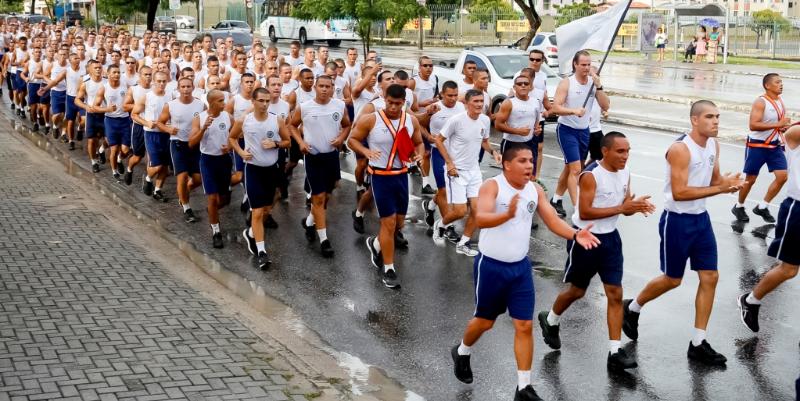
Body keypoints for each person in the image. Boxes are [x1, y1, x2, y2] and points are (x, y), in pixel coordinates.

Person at [450, 142, 600, 401]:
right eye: (522, 161)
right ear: (507, 164)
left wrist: (575, 234)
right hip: (491, 267)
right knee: (485, 322)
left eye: (531, 160)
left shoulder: (534, 189)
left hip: (520, 269)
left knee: (524, 325)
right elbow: (481, 218)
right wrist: (506, 214)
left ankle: (523, 387)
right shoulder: (492, 186)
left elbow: (552, 219)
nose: (529, 165)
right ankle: (462, 351)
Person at [622, 100, 746, 366]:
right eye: (710, 116)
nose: (716, 121)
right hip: (677, 221)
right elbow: (680, 192)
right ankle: (632, 308)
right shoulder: (680, 149)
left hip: (701, 219)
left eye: (718, 116)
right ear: (694, 120)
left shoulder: (713, 145)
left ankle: (698, 343)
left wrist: (729, 182)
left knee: (710, 276)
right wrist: (720, 189)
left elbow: (715, 180)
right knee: (672, 280)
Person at [537, 132, 655, 371]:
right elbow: (585, 211)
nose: (625, 156)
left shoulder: (625, 172)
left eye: (628, 151)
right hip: (586, 238)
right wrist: (622, 207)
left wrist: (635, 207)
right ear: (605, 151)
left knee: (615, 293)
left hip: (611, 240)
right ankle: (550, 320)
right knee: (577, 291)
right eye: (620, 151)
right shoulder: (591, 175)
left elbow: (624, 207)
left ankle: (615, 352)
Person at [348, 84, 424, 288]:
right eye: (390, 102)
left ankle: (375, 244)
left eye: (398, 103)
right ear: (384, 99)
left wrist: (419, 154)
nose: (393, 107)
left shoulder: (410, 120)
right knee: (388, 224)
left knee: (399, 225)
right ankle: (389, 269)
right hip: (380, 177)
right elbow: (352, 140)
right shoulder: (371, 119)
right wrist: (366, 152)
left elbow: (418, 142)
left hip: (402, 177)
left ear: (404, 102)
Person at [737, 124, 800, 332]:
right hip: (797, 209)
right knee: (789, 269)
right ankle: (751, 300)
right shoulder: (795, 132)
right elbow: (789, 133)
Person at [288, 75, 351, 257]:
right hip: (313, 157)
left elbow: (347, 125)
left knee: (327, 195)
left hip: (331, 157)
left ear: (332, 88)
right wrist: (301, 142)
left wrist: (341, 138)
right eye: (321, 86)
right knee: (318, 198)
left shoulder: (339, 105)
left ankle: (309, 223)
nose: (324, 89)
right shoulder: (305, 107)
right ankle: (324, 240)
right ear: (315, 87)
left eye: (327, 86)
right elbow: (292, 125)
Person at [432, 89, 500, 256]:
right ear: (467, 104)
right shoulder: (456, 120)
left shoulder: (484, 120)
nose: (479, 104)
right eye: (475, 101)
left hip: (474, 171)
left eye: (481, 101)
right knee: (460, 211)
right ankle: (440, 225)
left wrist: (494, 152)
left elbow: (484, 141)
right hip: (456, 171)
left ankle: (463, 243)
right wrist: (449, 163)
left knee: (477, 210)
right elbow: (438, 140)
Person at [234, 85, 291, 269]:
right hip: (253, 170)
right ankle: (261, 252)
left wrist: (275, 144)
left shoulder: (277, 120)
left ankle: (250, 234)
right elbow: (232, 138)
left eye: (267, 101)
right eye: (261, 101)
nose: (265, 104)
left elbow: (288, 141)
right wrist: (241, 153)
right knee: (257, 212)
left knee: (267, 209)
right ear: (253, 101)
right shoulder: (245, 120)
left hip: (271, 170)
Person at [550, 50, 610, 217]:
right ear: (575, 65)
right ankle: (579, 210)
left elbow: (605, 105)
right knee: (576, 169)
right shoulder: (567, 83)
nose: (586, 68)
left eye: (589, 64)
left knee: (572, 168)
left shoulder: (593, 83)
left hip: (584, 131)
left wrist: (599, 86)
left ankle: (555, 199)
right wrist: (573, 111)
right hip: (567, 130)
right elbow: (555, 108)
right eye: (583, 64)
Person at [731, 73, 789, 224]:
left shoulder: (781, 101)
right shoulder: (760, 102)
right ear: (767, 85)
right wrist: (778, 124)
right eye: (777, 82)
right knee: (750, 180)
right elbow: (753, 125)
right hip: (757, 145)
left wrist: (783, 128)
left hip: (774, 145)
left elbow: (777, 124)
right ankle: (739, 206)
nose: (781, 84)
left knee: (782, 176)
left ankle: (762, 206)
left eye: (781, 82)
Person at [419, 81, 464, 241]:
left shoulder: (461, 107)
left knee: (451, 189)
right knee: (444, 190)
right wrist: (428, 137)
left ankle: (430, 205)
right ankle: (448, 227)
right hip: (439, 152)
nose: (453, 98)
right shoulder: (434, 108)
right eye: (449, 95)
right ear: (442, 95)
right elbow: (420, 124)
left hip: (457, 154)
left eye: (455, 95)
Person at [189, 89, 233, 249]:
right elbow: (191, 143)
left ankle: (212, 210)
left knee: (224, 199)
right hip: (208, 161)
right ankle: (216, 232)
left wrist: (229, 146)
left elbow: (236, 134)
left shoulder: (228, 116)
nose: (224, 103)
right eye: (220, 100)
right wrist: (203, 129)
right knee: (212, 198)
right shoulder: (199, 118)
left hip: (224, 161)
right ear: (212, 102)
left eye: (223, 100)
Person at [157, 77, 205, 223]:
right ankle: (186, 207)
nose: (185, 89)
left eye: (188, 86)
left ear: (193, 88)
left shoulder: (200, 105)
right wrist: (168, 129)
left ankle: (183, 192)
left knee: (198, 179)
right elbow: (159, 123)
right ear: (178, 89)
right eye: (183, 87)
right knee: (182, 177)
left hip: (195, 145)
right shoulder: (171, 105)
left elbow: (206, 122)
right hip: (177, 143)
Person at [93, 64, 130, 181]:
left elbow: (133, 100)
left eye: (118, 72)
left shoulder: (125, 86)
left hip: (125, 120)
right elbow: (95, 107)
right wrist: (107, 109)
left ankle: (120, 159)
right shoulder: (103, 88)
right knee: (113, 148)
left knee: (125, 150)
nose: (117, 74)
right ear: (108, 74)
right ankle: (114, 171)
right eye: (114, 72)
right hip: (110, 121)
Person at [74, 60, 106, 173]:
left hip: (106, 114)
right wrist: (86, 107)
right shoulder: (86, 83)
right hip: (92, 115)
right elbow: (77, 100)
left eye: (99, 67)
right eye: (95, 68)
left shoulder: (107, 82)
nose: (98, 69)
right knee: (92, 140)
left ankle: (101, 150)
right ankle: (94, 162)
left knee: (109, 139)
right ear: (90, 70)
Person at [122, 65, 153, 185]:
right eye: (146, 74)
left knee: (151, 157)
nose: (148, 77)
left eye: (150, 74)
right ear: (140, 76)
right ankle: (129, 170)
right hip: (139, 125)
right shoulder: (134, 89)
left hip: (152, 127)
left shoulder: (155, 89)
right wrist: (141, 105)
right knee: (138, 156)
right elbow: (125, 106)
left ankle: (149, 181)